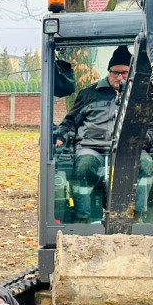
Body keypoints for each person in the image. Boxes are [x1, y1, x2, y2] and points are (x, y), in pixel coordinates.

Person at [53, 44, 131, 222]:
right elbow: (71, 120)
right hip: (91, 147)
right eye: (115, 73)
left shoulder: (138, 98)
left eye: (124, 73)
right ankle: (82, 218)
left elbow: (151, 126)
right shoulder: (89, 94)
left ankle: (134, 218)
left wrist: (143, 141)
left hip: (125, 149)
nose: (119, 77)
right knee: (84, 167)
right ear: (109, 72)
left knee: (145, 164)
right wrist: (61, 136)